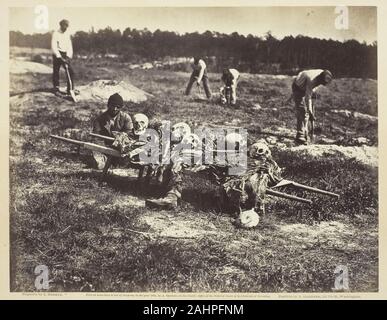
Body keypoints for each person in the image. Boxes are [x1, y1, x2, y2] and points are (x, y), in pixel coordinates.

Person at [91, 93, 133, 169]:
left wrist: (120, 139)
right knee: (99, 165)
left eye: (118, 107)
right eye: (113, 106)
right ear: (108, 105)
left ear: (121, 107)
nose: (115, 109)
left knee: (124, 163)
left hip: (120, 148)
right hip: (105, 148)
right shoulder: (100, 119)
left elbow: (129, 134)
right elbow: (96, 138)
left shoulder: (126, 118)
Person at [292, 69, 333, 144]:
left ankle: (307, 133)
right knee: (302, 111)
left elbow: (312, 90)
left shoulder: (322, 73)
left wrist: (311, 110)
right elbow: (308, 97)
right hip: (298, 87)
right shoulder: (311, 79)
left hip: (309, 88)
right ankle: (300, 135)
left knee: (308, 113)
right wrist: (310, 111)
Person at [51, 19, 76, 98]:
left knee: (70, 71)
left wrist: (68, 57)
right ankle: (56, 89)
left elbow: (69, 46)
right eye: (64, 26)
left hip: (65, 54)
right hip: (57, 54)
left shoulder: (67, 34)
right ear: (61, 25)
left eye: (67, 26)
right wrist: (59, 57)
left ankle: (70, 89)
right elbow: (54, 46)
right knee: (56, 71)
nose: (66, 28)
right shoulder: (55, 33)